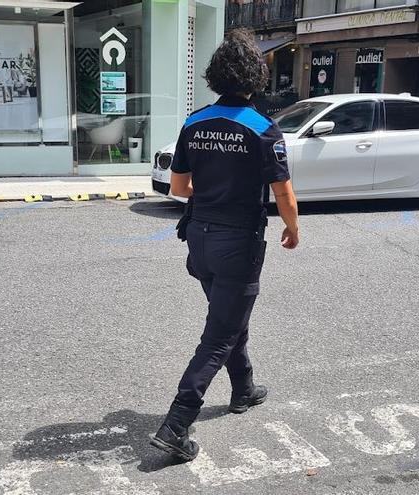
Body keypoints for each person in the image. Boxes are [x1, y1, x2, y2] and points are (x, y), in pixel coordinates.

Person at [149, 29, 300, 461]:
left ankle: (244, 389)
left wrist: (211, 193)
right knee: (218, 335)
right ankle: (176, 424)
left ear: (216, 76)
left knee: (228, 318)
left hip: (199, 237)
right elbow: (283, 192)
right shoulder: (262, 127)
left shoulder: (193, 122)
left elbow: (179, 186)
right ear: (255, 77)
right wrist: (293, 227)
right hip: (239, 239)